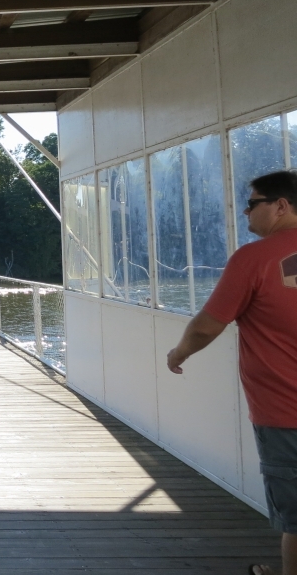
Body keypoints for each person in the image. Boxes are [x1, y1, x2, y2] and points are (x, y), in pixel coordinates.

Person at [166, 171, 297, 575]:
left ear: (281, 206)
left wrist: (178, 352)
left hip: (285, 415)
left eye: (253, 202)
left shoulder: (254, 258)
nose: (246, 210)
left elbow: (209, 325)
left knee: (296, 517)